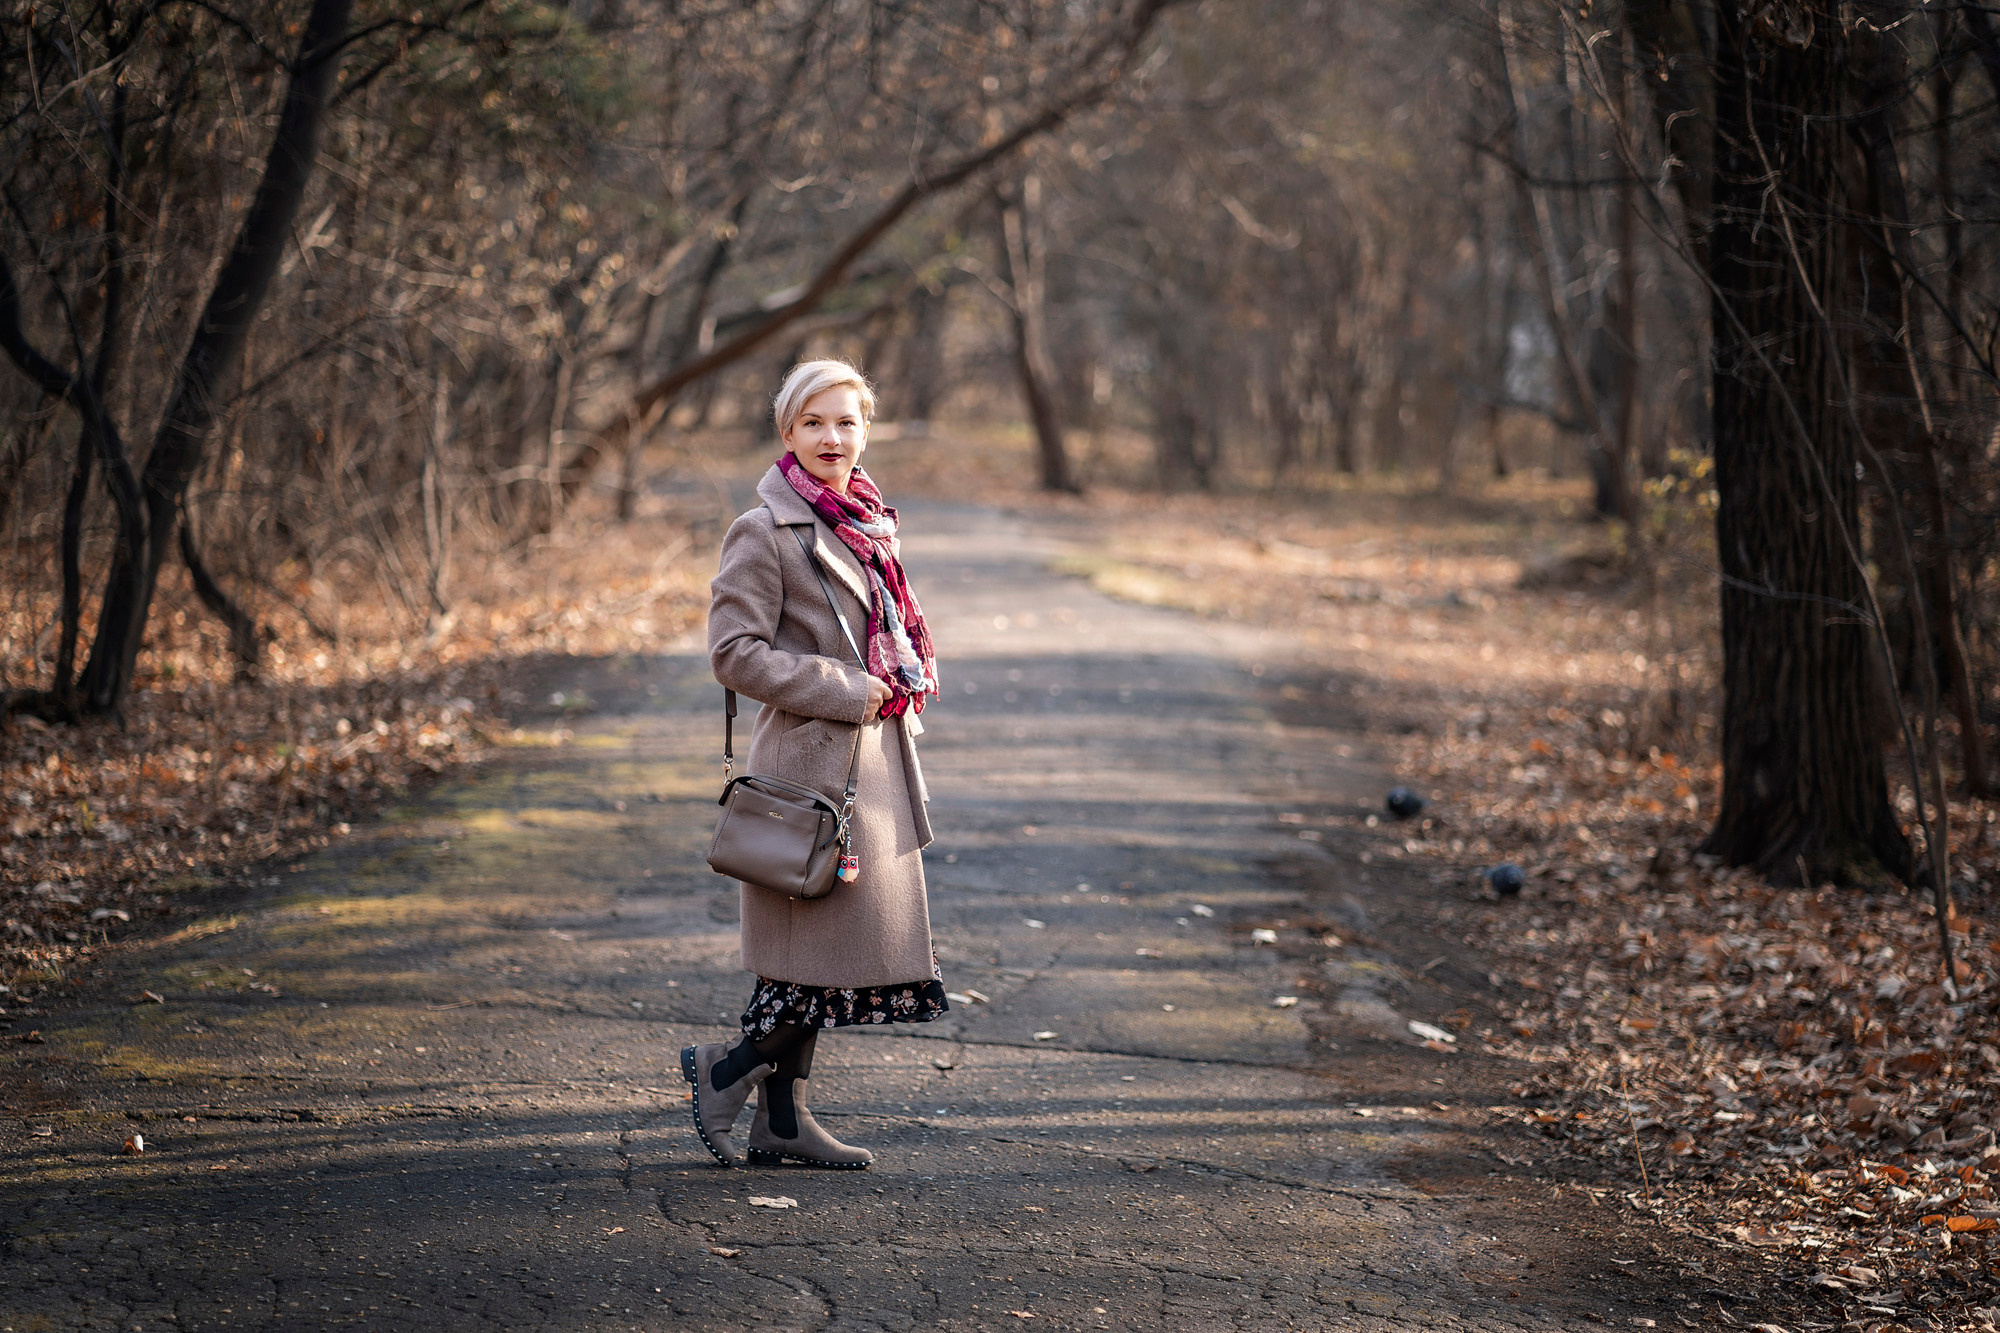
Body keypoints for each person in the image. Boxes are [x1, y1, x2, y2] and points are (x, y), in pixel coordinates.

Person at [681, 359, 945, 1169]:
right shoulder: (763, 529)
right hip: (808, 774)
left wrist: (882, 688)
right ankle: (724, 1077)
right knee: (809, 960)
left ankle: (784, 1122)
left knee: (818, 959)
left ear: (865, 431)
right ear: (787, 431)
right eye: (814, 422)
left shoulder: (867, 523)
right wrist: (846, 686)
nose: (833, 437)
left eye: (848, 422)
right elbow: (734, 653)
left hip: (869, 767)